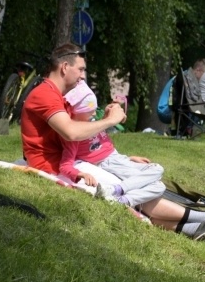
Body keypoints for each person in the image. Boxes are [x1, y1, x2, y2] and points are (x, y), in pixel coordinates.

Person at [21, 43, 205, 241]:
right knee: (136, 190)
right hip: (55, 167)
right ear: (65, 67)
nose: (83, 76)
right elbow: (71, 133)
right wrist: (109, 121)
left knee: (141, 186)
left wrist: (117, 157)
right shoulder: (45, 94)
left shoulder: (60, 95)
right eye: (81, 69)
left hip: (74, 162)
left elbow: (78, 136)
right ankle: (200, 220)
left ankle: (197, 227)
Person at [61, 80, 165, 208]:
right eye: (90, 111)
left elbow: (102, 144)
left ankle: (120, 199)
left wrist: (128, 158)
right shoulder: (75, 133)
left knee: (158, 178)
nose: (94, 114)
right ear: (79, 111)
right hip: (108, 163)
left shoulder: (91, 122)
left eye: (95, 109)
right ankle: (117, 192)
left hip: (117, 159)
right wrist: (80, 174)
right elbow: (65, 165)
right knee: (158, 179)